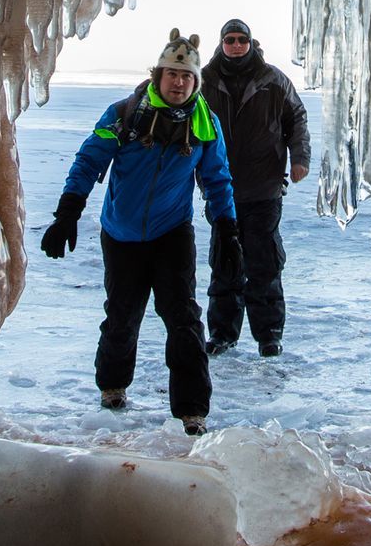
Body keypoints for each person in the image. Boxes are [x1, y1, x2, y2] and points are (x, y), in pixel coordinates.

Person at [43, 28, 235, 435]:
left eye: (187, 77)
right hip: (122, 233)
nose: (179, 82)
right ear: (158, 75)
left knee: (183, 320)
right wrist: (68, 212)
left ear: (196, 82)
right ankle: (112, 385)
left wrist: (227, 228)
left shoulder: (206, 124)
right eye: (172, 74)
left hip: (172, 233)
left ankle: (192, 410)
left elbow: (216, 180)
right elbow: (89, 160)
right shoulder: (124, 113)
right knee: (122, 316)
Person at [199, 18, 311, 358]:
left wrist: (299, 158)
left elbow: (297, 119)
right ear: (221, 43)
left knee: (264, 264)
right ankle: (222, 334)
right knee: (225, 263)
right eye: (230, 40)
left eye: (241, 40)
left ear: (250, 42)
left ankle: (269, 336)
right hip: (221, 190)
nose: (235, 45)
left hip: (264, 189)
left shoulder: (272, 80)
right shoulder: (204, 80)